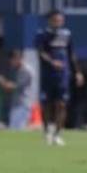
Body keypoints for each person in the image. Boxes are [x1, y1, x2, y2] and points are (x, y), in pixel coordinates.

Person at [35, 9, 84, 147]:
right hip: (47, 75)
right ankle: (46, 131)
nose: (58, 22)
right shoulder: (42, 34)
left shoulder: (66, 35)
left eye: (60, 20)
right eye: (56, 20)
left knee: (62, 104)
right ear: (50, 20)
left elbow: (71, 54)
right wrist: (52, 62)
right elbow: (40, 52)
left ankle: (57, 134)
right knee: (46, 104)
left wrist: (78, 72)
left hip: (63, 76)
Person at [0, 49, 35, 131]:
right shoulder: (18, 70)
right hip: (16, 104)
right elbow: (9, 89)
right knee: (13, 130)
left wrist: (2, 81)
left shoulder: (26, 70)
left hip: (23, 104)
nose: (11, 63)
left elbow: (15, 87)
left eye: (12, 60)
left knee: (18, 130)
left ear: (18, 58)